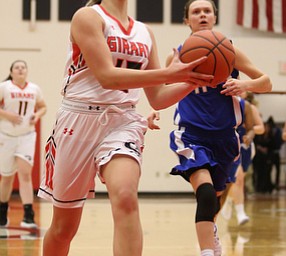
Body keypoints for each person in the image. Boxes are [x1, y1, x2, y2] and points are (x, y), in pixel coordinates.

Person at [37, 0, 214, 255]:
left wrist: (193, 80)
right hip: (77, 121)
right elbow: (107, 76)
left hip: (122, 121)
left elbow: (157, 97)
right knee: (64, 228)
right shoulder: (88, 17)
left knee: (126, 197)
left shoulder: (145, 32)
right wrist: (170, 73)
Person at [147, 1, 272, 255]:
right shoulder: (178, 56)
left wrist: (244, 86)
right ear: (187, 20)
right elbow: (160, 91)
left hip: (226, 138)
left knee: (214, 195)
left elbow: (266, 82)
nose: (202, 14)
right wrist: (153, 111)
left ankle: (211, 232)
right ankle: (206, 250)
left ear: (214, 17)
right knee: (204, 193)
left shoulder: (230, 51)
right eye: (196, 11)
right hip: (191, 136)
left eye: (207, 11)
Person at [0, 60, 47, 228]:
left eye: (23, 67)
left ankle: (28, 215)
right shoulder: (4, 86)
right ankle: (2, 212)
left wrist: (37, 115)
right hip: (6, 136)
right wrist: (7, 115)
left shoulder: (34, 88)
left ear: (27, 71)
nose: (20, 69)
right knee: (7, 177)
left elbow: (43, 107)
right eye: (17, 67)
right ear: (11, 72)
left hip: (27, 135)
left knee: (25, 174)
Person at [221, 91, 265, 225]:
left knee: (238, 180)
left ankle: (229, 199)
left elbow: (261, 128)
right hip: (230, 145)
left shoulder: (249, 108)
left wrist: (248, 127)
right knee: (238, 178)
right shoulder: (224, 105)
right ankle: (240, 213)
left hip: (245, 145)